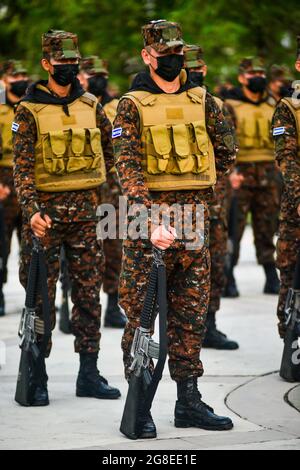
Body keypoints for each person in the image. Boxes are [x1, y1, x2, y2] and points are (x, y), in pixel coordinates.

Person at [113, 19, 236, 437]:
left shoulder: (205, 101)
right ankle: (140, 402)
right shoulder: (129, 105)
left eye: (178, 54)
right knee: (142, 318)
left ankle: (189, 402)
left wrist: (200, 195)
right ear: (147, 56)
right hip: (148, 228)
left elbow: (225, 151)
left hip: (194, 225)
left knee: (190, 318)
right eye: (164, 55)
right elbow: (126, 169)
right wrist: (151, 220)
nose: (172, 61)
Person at [12, 29, 121, 406]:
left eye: (74, 64)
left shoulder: (92, 104)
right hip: (46, 219)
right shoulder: (27, 111)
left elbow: (110, 156)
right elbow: (22, 169)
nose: (69, 70)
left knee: (89, 296)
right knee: (40, 299)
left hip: (88, 218)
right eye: (61, 65)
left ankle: (88, 373)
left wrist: (109, 204)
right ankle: (37, 373)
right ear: (46, 65)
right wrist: (31, 213)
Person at [184, 44, 239, 350]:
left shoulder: (216, 105)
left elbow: (230, 149)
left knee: (214, 265)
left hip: (214, 201)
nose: (196, 72)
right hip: (178, 207)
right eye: (190, 67)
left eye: (199, 67)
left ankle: (210, 325)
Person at [225, 57, 281, 295]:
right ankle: (228, 277)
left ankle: (270, 275)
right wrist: (230, 171)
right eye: (251, 74)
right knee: (234, 228)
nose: (257, 77)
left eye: (260, 73)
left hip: (268, 171)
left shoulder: (273, 104)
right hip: (240, 173)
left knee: (267, 225)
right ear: (241, 78)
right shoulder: (230, 105)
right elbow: (225, 143)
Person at [79, 56, 126, 328]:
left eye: (102, 74)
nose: (98, 78)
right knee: (80, 252)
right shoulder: (75, 107)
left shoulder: (117, 106)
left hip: (112, 193)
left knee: (113, 251)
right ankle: (72, 305)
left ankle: (111, 305)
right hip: (83, 192)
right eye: (92, 74)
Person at [272, 36, 300, 340]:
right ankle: (290, 340)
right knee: (291, 274)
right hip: (297, 207)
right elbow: (287, 159)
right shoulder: (288, 109)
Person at [0, 60, 28, 316]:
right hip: (4, 179)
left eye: (23, 75)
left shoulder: (31, 108)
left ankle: (33, 294)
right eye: (15, 76)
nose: (20, 79)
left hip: (28, 181)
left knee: (30, 244)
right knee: (2, 244)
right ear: (5, 80)